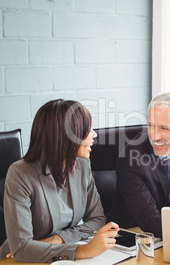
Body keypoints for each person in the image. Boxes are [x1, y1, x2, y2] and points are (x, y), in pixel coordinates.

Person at [0, 99, 119, 263]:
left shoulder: (82, 165)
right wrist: (85, 250)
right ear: (66, 136)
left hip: (57, 256)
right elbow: (22, 249)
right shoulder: (20, 173)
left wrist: (58, 239)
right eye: (86, 129)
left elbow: (97, 220)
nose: (94, 134)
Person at [107, 91, 170, 239]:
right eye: (150, 125)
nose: (154, 136)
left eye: (164, 128)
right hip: (134, 235)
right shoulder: (131, 157)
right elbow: (148, 217)